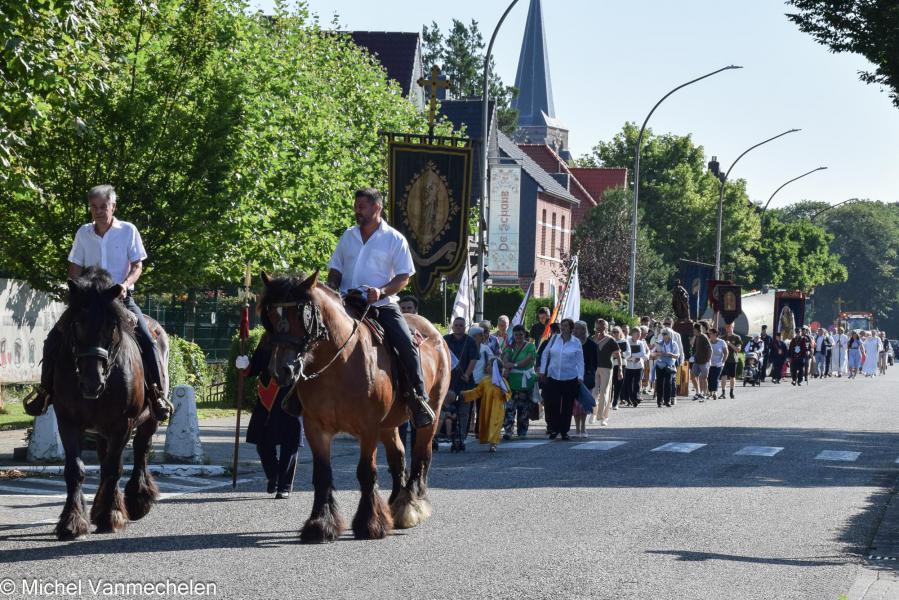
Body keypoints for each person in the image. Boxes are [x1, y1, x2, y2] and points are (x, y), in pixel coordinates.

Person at [25, 185, 171, 421]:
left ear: (113, 206)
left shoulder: (128, 231)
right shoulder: (83, 233)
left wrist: (125, 284)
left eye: (103, 206)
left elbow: (137, 265)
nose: (98, 211)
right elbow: (75, 266)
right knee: (54, 338)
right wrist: (75, 288)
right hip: (88, 300)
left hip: (118, 298)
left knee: (147, 338)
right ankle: (44, 392)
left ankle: (156, 395)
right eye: (94, 206)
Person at [326, 188, 434, 428]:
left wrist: (382, 291)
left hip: (381, 305)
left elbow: (404, 277)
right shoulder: (348, 236)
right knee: (314, 332)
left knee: (406, 343)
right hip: (345, 302)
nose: (357, 211)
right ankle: (299, 391)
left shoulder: (394, 239)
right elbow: (335, 269)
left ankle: (418, 397)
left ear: (377, 208)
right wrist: (330, 288)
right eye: (356, 207)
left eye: (361, 207)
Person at [236, 337, 304, 498]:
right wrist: (245, 365)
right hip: (267, 398)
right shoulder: (267, 340)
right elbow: (255, 367)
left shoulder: (300, 335)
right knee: (262, 442)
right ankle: (274, 474)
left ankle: (284, 486)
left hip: (291, 395)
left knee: (290, 444)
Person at [538, 318, 583, 440]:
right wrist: (542, 371)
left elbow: (580, 361)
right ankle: (553, 429)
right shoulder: (554, 339)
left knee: (567, 406)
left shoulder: (576, 342)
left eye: (566, 326)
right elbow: (545, 354)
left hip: (570, 377)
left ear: (571, 328)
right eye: (562, 325)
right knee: (553, 404)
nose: (563, 328)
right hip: (553, 376)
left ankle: (564, 431)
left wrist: (580, 376)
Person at [442, 317, 479, 447]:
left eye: (461, 325)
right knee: (447, 410)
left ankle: (461, 436)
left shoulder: (470, 341)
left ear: (465, 327)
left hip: (465, 381)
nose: (458, 327)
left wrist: (467, 374)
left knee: (464, 411)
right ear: (452, 327)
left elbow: (474, 359)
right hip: (449, 381)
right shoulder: (445, 340)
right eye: (456, 325)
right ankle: (444, 435)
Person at [501, 325, 537, 440]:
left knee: (524, 408)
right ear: (513, 335)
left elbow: (526, 361)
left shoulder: (530, 346)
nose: (518, 337)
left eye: (521, 334)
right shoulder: (509, 347)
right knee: (510, 407)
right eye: (516, 335)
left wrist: (513, 365)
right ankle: (508, 431)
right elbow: (505, 360)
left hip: (525, 381)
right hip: (512, 381)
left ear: (524, 335)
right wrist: (508, 364)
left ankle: (522, 431)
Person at [592, 318, 621, 426]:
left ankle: (604, 416)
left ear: (607, 327)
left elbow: (618, 354)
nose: (600, 327)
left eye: (602, 325)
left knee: (604, 392)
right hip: (595, 368)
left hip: (607, 368)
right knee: (594, 392)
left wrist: (620, 370)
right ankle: (594, 413)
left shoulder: (611, 339)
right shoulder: (592, 338)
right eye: (598, 325)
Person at [572, 320, 597, 437]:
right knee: (576, 404)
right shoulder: (571, 343)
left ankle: (583, 427)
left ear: (584, 330)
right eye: (575, 328)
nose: (576, 330)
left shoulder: (592, 345)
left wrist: (591, 374)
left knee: (584, 403)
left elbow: (595, 362)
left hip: (586, 378)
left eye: (578, 328)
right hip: (572, 376)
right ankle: (577, 428)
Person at [652, 328, 679, 407]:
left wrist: (670, 354)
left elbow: (677, 356)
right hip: (660, 365)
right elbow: (652, 353)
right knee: (659, 383)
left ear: (670, 334)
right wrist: (659, 353)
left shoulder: (674, 344)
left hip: (669, 365)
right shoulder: (658, 343)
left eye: (665, 334)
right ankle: (659, 401)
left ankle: (667, 401)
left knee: (668, 383)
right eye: (662, 334)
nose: (663, 335)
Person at [623, 328, 648, 407]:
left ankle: (635, 398)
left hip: (638, 366)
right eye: (637, 334)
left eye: (640, 333)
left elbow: (643, 353)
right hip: (629, 366)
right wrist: (633, 357)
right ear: (632, 334)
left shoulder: (640, 343)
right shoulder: (627, 342)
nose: (639, 335)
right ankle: (630, 398)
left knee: (637, 383)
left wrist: (632, 355)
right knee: (629, 383)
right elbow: (626, 354)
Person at [610, 326, 629, 410]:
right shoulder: (610, 342)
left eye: (617, 331)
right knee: (610, 384)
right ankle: (609, 402)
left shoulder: (624, 341)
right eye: (613, 332)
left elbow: (628, 353)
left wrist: (619, 355)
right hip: (611, 365)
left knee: (618, 384)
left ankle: (615, 402)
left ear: (620, 332)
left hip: (621, 364)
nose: (615, 333)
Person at [691, 322, 711, 401]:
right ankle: (698, 392)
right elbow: (694, 346)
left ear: (697, 330)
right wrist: (693, 356)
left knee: (703, 378)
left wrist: (708, 361)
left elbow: (710, 349)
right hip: (697, 360)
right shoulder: (697, 337)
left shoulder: (704, 337)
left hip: (704, 361)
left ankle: (705, 394)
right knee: (693, 377)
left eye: (694, 330)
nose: (693, 331)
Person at [722, 323, 742, 399]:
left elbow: (738, 349)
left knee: (732, 377)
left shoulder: (737, 337)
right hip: (724, 359)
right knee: (723, 375)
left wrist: (730, 344)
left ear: (732, 327)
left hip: (733, 360)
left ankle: (731, 392)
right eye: (726, 327)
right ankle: (723, 392)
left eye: (729, 327)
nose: (727, 328)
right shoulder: (723, 337)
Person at [708, 328, 729, 398]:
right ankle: (710, 392)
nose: (709, 335)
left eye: (710, 333)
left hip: (718, 364)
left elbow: (726, 353)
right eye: (709, 333)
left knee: (715, 378)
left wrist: (722, 362)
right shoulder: (708, 341)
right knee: (709, 378)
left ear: (715, 334)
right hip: (709, 363)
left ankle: (715, 392)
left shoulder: (722, 342)